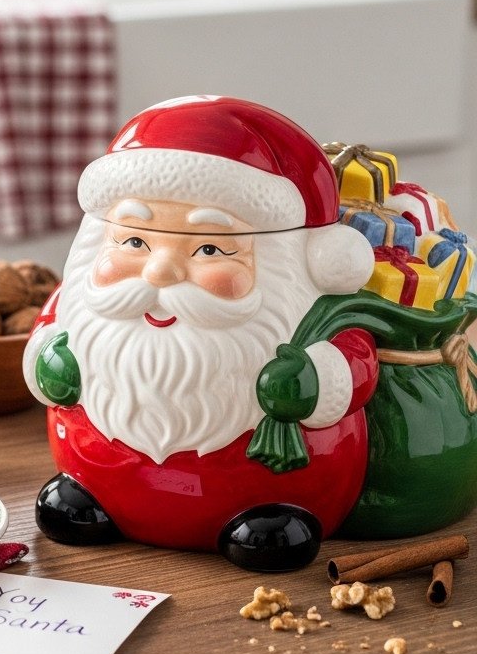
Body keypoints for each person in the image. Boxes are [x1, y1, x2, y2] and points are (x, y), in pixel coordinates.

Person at [23, 96, 377, 570]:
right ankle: (94, 496)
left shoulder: (316, 313)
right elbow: (53, 326)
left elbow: (355, 363)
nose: (161, 271)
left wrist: (319, 380)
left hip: (262, 490)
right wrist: (49, 355)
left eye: (210, 248)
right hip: (102, 474)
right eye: (133, 241)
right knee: (85, 497)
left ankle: (270, 518)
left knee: (268, 530)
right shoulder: (82, 298)